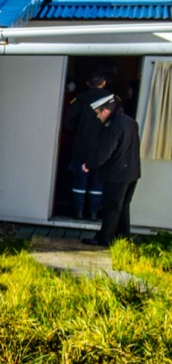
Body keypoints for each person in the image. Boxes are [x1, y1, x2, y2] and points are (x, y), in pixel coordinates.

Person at [82, 91, 142, 247]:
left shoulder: (114, 126)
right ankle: (123, 238)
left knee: (111, 208)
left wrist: (89, 164)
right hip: (132, 172)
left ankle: (104, 239)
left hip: (117, 174)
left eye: (98, 113)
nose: (97, 116)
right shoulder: (130, 122)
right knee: (123, 206)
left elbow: (104, 152)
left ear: (106, 111)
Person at [61, 73, 109, 218]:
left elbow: (67, 123)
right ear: (104, 83)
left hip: (81, 148)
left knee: (79, 181)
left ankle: (78, 212)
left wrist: (80, 130)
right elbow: (117, 125)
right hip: (102, 149)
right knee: (97, 183)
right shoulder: (112, 101)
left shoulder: (79, 100)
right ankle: (93, 213)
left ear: (88, 84)